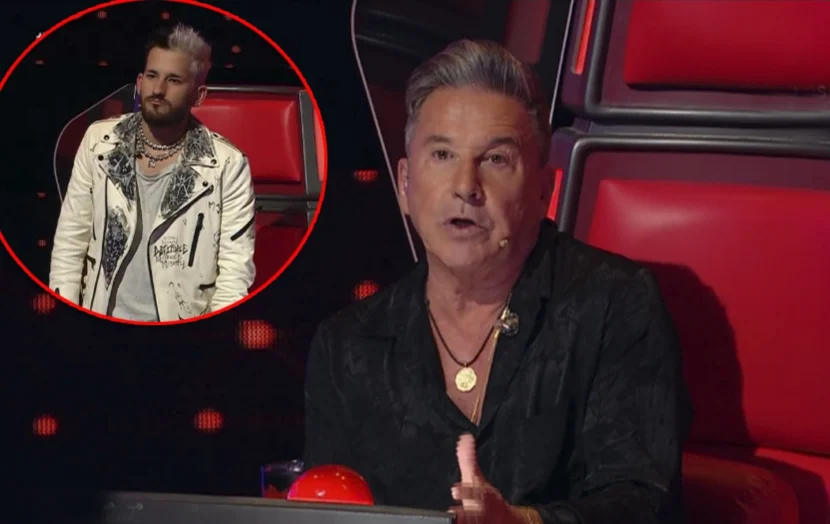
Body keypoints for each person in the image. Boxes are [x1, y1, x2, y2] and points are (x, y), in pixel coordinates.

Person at [303, 40, 693, 523]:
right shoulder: (347, 346)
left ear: (544, 191)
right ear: (404, 185)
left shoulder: (613, 305)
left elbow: (644, 503)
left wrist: (522, 522)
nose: (466, 186)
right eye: (442, 154)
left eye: (496, 160)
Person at [49, 23, 256, 322]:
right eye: (151, 76)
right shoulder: (99, 141)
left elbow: (234, 274)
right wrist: (66, 318)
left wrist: (208, 337)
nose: (158, 90)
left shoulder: (227, 164)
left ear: (198, 95)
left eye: (174, 80)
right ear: (139, 82)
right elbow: (71, 240)